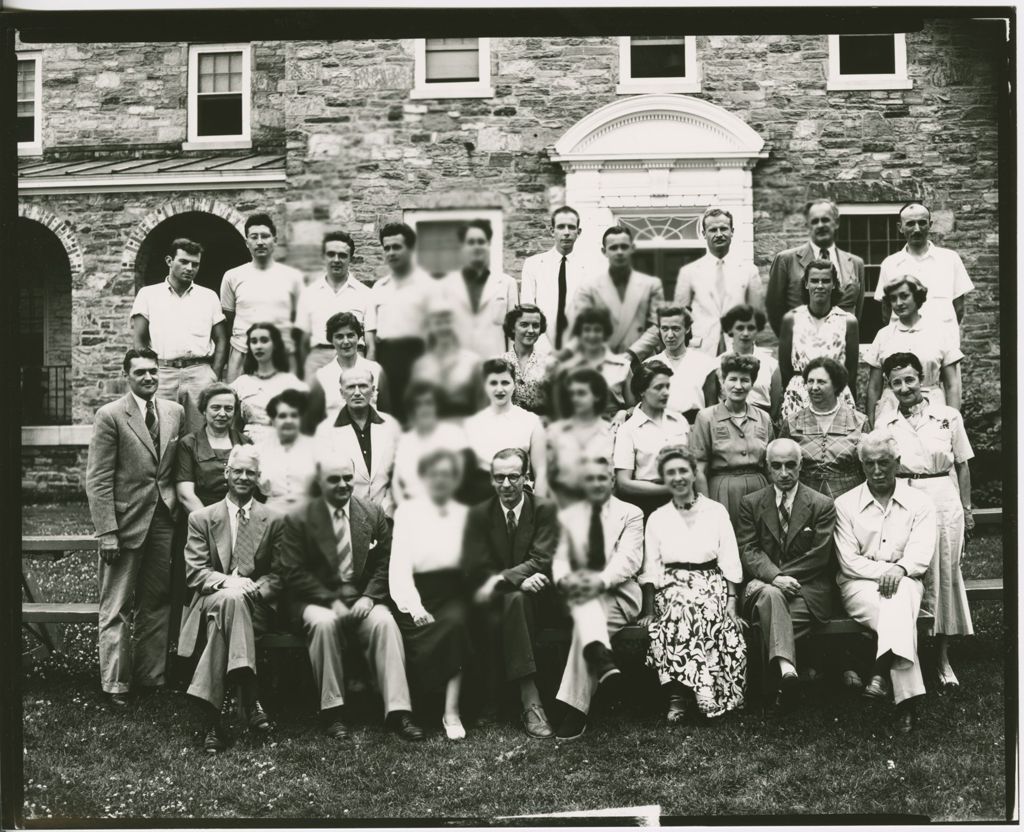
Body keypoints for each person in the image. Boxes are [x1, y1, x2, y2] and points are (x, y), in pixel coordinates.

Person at [277, 451, 424, 741]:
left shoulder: (371, 512)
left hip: (360, 599)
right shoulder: (299, 517)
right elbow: (292, 572)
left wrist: (369, 597)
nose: (343, 485)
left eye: (348, 478)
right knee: (324, 624)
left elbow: (386, 561)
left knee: (384, 623)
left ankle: (398, 711)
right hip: (315, 601)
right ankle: (333, 711)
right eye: (334, 479)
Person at [86, 348, 186, 707]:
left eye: (153, 372)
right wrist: (107, 532)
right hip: (125, 524)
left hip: (163, 521)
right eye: (141, 372)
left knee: (156, 602)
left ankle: (151, 677)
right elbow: (97, 479)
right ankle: (115, 684)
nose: (148, 378)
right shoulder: (111, 415)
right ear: (126, 375)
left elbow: (174, 468)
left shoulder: (175, 412)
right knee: (116, 606)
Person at [877, 352, 975, 689]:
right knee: (909, 572)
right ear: (889, 386)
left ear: (922, 379)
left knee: (944, 572)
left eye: (910, 379)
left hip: (942, 498)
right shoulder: (886, 424)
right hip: (903, 497)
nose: (904, 387)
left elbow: (961, 465)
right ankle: (909, 656)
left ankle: (942, 657)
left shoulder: (947, 416)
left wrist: (967, 508)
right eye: (896, 382)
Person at [177, 446, 282, 753]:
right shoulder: (202, 518)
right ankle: (250, 697)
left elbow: (279, 574)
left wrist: (253, 589)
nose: (243, 477)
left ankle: (212, 720)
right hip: (212, 601)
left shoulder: (272, 519)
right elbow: (196, 574)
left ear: (258, 478)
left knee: (232, 605)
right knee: (229, 600)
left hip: (254, 606)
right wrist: (232, 583)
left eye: (250, 472)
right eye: (237, 471)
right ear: (226, 473)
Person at [834, 431, 938, 734]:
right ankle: (904, 700)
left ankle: (882, 677)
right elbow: (849, 561)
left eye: (884, 463)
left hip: (906, 580)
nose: (877, 471)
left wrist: (900, 569)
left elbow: (920, 554)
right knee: (900, 612)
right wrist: (887, 572)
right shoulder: (845, 504)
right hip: (859, 585)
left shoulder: (920, 502)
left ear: (898, 462)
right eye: (869, 464)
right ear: (861, 465)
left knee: (900, 597)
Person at [639, 444, 746, 722]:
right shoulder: (657, 517)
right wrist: (649, 611)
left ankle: (683, 695)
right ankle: (693, 694)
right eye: (670, 472)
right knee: (681, 606)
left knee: (698, 609)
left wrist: (732, 603)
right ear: (664, 477)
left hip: (711, 581)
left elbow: (730, 559)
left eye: (683, 470)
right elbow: (650, 567)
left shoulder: (716, 511)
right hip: (670, 583)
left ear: (693, 472)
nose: (678, 478)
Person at [461, 448, 559, 739]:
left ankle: (502, 702)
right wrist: (517, 582)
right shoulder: (479, 514)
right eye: (499, 477)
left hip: (542, 599)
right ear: (491, 480)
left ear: (527, 478)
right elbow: (476, 566)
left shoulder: (545, 510)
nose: (506, 485)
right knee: (511, 600)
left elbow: (542, 560)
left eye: (513, 477)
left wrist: (508, 580)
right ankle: (530, 701)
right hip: (496, 599)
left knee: (516, 600)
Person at [737, 439, 837, 707]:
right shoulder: (751, 503)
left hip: (806, 592)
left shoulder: (821, 504)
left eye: (790, 465)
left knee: (766, 618)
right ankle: (789, 673)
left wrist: (777, 579)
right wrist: (775, 578)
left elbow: (818, 555)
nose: (784, 473)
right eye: (777, 466)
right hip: (767, 586)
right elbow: (749, 549)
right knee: (771, 596)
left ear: (801, 465)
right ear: (767, 467)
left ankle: (772, 685)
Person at [552, 456, 643, 741]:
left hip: (619, 594)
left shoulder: (631, 513)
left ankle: (575, 707)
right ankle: (599, 663)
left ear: (613, 480)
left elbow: (629, 559)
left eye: (602, 477)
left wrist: (598, 581)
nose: (596, 483)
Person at [388, 449, 472, 741]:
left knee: (457, 624)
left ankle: (452, 711)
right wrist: (415, 606)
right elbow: (399, 564)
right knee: (416, 629)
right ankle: (415, 707)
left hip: (453, 592)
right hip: (416, 592)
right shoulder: (408, 512)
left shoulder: (463, 512)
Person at [631, 207, 763, 359]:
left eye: (723, 229)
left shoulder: (748, 270)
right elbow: (678, 316)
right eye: (713, 230)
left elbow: (756, 315)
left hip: (738, 347)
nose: (719, 234)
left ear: (732, 231)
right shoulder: (689, 272)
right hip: (701, 349)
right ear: (704, 234)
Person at [130, 238, 227, 434]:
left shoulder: (208, 296)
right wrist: (149, 372)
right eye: (184, 261)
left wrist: (213, 375)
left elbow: (222, 339)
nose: (190, 268)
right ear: (169, 261)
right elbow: (139, 338)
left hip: (200, 373)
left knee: (200, 435)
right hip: (164, 372)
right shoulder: (148, 294)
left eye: (195, 264)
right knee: (161, 434)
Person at [865, 272, 962, 428]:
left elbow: (952, 384)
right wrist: (870, 423)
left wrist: (953, 422)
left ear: (917, 297)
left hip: (933, 406)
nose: (899, 303)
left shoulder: (940, 332)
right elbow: (874, 386)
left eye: (904, 296)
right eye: (893, 299)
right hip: (891, 409)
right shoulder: (884, 335)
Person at [875, 202, 974, 347]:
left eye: (922, 223)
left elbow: (958, 308)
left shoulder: (950, 259)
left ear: (930, 224)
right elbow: (886, 312)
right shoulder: (890, 264)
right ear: (900, 227)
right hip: (904, 345)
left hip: (944, 344)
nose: (917, 229)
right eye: (910, 224)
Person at [691, 353, 774, 525]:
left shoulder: (763, 418)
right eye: (732, 379)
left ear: (752, 383)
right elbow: (699, 467)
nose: (738, 386)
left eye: (745, 380)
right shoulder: (706, 417)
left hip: (759, 489)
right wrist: (706, 506)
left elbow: (770, 465)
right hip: (722, 490)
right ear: (722, 381)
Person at [221, 213, 305, 382]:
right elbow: (228, 319)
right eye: (254, 237)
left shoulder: (293, 277)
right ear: (247, 242)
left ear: (275, 240)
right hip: (243, 353)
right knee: (241, 401)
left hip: (282, 354)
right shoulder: (232, 276)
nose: (260, 242)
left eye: (265, 236)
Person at [765, 199, 866, 336]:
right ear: (807, 226)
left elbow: (857, 310)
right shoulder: (786, 260)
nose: (820, 225)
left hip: (841, 344)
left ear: (836, 223)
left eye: (825, 220)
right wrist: (790, 342)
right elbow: (774, 310)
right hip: (801, 344)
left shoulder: (855, 263)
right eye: (814, 221)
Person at [313, 364, 401, 519]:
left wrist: (387, 513)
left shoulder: (391, 425)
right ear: (342, 393)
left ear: (373, 391)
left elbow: (399, 474)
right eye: (351, 387)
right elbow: (324, 481)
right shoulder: (325, 430)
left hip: (387, 516)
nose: (357, 392)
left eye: (363, 386)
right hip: (345, 519)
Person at [369, 223, 437, 422]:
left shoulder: (428, 286)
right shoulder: (379, 288)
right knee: (387, 418)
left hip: (418, 358)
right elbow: (371, 335)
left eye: (397, 247)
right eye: (387, 248)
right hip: (386, 360)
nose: (391, 252)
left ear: (410, 249)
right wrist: (373, 370)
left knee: (418, 419)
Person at [778, 259, 859, 422]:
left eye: (826, 281)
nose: (820, 286)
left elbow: (851, 370)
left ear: (834, 284)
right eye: (814, 281)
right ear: (806, 284)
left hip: (836, 394)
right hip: (800, 393)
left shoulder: (847, 321)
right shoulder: (792, 319)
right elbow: (785, 368)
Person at [463, 357, 548, 505]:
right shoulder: (472, 424)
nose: (499, 389)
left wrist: (538, 510)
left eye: (505, 383)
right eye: (493, 383)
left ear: (514, 385)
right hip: (481, 499)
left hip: (518, 497)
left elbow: (541, 471)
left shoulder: (531, 421)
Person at [780, 356, 867, 500]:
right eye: (810, 381)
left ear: (836, 385)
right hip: (804, 500)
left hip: (850, 499)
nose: (814, 387)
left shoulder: (859, 421)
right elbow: (780, 465)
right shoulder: (792, 422)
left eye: (821, 382)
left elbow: (868, 467)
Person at [613, 360, 689, 518]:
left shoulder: (679, 420)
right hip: (648, 505)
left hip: (683, 502)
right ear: (642, 391)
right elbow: (623, 483)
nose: (665, 392)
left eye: (667, 386)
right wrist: (669, 489)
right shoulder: (628, 429)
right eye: (658, 387)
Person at [433, 219, 519, 359]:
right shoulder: (445, 286)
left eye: (481, 241)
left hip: (495, 369)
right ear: (462, 246)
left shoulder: (507, 284)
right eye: (471, 242)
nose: (476, 247)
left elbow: (513, 334)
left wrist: (510, 367)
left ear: (488, 244)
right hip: (458, 368)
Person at [296, 231, 375, 380]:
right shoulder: (309, 293)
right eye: (331, 254)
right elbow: (303, 342)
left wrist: (368, 373)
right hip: (318, 360)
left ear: (350, 258)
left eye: (342, 255)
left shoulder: (366, 294)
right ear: (323, 257)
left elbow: (371, 344)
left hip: (354, 360)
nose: (336, 259)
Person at [575, 225, 665, 354]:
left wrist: (632, 355)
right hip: (602, 360)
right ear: (604, 251)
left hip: (641, 361)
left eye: (624, 246)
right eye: (613, 247)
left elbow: (657, 325)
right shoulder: (589, 288)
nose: (619, 252)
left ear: (632, 248)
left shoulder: (651, 285)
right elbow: (582, 327)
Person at [304, 312, 390, 430]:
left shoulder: (375, 369)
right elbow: (315, 421)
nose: (346, 342)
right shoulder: (321, 376)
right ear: (331, 340)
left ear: (358, 337)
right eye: (339, 337)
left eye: (350, 335)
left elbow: (386, 414)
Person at [175, 383, 252, 514]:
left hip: (240, 517)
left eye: (228, 408)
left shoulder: (245, 442)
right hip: (200, 517)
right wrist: (211, 524)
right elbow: (185, 495)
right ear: (204, 410)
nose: (222, 414)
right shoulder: (188, 444)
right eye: (215, 408)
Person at [393, 381, 472, 505]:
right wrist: (403, 508)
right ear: (412, 409)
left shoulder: (454, 434)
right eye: (418, 404)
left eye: (428, 402)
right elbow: (396, 482)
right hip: (410, 506)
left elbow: (460, 479)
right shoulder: (405, 440)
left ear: (437, 406)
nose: (424, 408)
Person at [520, 206, 587, 351]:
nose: (566, 233)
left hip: (578, 351)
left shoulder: (588, 267)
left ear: (578, 232)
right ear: (552, 231)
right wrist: (542, 349)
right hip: (540, 348)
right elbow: (528, 308)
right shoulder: (534, 265)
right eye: (561, 227)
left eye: (571, 227)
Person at [637, 305, 719, 424]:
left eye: (675, 328)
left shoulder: (706, 363)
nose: (670, 335)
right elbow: (644, 406)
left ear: (687, 329)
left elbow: (712, 408)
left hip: (695, 428)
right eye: (664, 329)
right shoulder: (649, 365)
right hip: (660, 429)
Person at [230, 322, 307, 445]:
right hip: (249, 446)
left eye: (264, 340)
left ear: (275, 345)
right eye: (254, 341)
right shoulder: (241, 384)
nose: (258, 346)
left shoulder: (291, 382)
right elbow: (233, 426)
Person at [547, 368, 615, 506]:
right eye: (571, 394)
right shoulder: (555, 432)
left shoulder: (611, 432)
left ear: (597, 396)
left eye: (581, 393)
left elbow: (615, 480)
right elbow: (547, 477)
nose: (575, 399)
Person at [409, 299, 488, 420]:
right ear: (429, 326)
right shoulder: (421, 365)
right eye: (438, 322)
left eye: (447, 321)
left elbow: (483, 406)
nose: (443, 327)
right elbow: (415, 408)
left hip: (466, 429)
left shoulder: (473, 361)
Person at [555, 306, 633, 419]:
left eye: (597, 330)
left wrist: (624, 413)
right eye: (587, 330)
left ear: (605, 333)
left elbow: (634, 406)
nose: (592, 335)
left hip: (614, 427)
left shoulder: (623, 366)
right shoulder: (567, 367)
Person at [256, 389, 318, 516]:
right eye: (282, 416)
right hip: (270, 516)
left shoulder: (317, 448)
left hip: (310, 516)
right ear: (273, 420)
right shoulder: (258, 451)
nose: (288, 421)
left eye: (294, 415)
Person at [719, 304, 781, 420]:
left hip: (761, 424)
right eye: (740, 328)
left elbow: (775, 409)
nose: (746, 333)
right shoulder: (717, 364)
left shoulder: (772, 366)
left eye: (751, 328)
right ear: (730, 329)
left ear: (758, 329)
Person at [501, 304, 559, 417]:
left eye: (536, 325)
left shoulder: (551, 363)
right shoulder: (501, 361)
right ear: (513, 327)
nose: (531, 330)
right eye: (524, 325)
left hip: (540, 427)